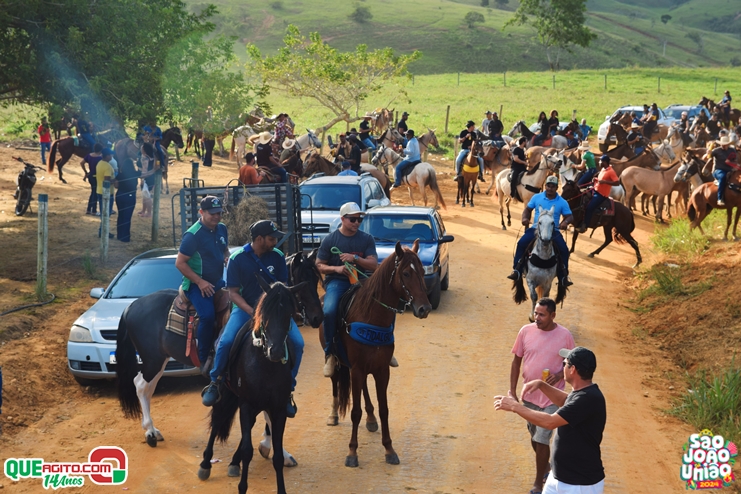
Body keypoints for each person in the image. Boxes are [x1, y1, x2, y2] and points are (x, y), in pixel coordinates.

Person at [201, 220, 303, 418]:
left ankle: (289, 388)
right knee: (226, 342)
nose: (275, 242)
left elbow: (282, 288)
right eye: (272, 239)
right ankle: (215, 382)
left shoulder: (278, 256)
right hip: (244, 309)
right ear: (259, 239)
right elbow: (233, 293)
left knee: (298, 343)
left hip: (275, 311)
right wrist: (253, 311)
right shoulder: (237, 258)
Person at [494, 346, 606, 494]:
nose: (563, 367)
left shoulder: (588, 398)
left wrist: (515, 407)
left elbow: (550, 422)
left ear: (573, 369)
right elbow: (566, 401)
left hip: (580, 484)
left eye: (565, 364)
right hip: (558, 477)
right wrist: (541, 385)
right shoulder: (582, 392)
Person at [507, 298, 576, 494]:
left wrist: (558, 375)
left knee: (542, 437)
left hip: (552, 398)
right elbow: (516, 362)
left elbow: (572, 362)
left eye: (542, 315)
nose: (537, 317)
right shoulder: (525, 331)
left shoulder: (565, 335)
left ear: (553, 315)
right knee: (535, 437)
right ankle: (546, 468)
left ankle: (539, 484)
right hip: (529, 397)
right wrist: (512, 391)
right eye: (535, 313)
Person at [316, 202, 380, 377]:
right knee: (329, 311)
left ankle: (387, 346)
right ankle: (330, 354)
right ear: (343, 219)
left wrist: (355, 259)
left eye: (359, 219)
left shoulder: (366, 239)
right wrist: (336, 269)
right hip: (337, 281)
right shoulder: (330, 240)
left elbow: (373, 265)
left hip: (363, 281)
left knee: (387, 303)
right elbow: (319, 265)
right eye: (353, 219)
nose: (357, 223)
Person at [175, 196, 230, 373]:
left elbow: (225, 249)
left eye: (219, 213)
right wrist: (200, 282)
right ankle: (204, 358)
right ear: (201, 212)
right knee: (207, 315)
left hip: (218, 283)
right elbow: (180, 263)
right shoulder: (192, 235)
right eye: (212, 213)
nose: (216, 216)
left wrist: (227, 258)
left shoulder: (222, 228)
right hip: (195, 285)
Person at [508, 175, 574, 287]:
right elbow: (527, 210)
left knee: (564, 250)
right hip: (536, 229)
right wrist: (524, 218)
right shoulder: (536, 197)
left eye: (553, 186)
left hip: (553, 231)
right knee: (521, 243)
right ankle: (517, 270)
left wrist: (565, 222)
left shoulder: (562, 202)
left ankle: (563, 276)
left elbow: (570, 216)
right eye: (548, 186)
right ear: (545, 186)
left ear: (556, 188)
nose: (550, 188)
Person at [579, 155, 619, 233]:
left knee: (589, 207)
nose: (599, 162)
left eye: (600, 161)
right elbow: (601, 179)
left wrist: (605, 182)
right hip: (595, 189)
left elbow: (617, 182)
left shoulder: (611, 171)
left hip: (601, 194)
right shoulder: (603, 169)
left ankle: (585, 225)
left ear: (605, 162)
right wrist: (596, 179)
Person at [705, 135, 739, 206]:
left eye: (725, 145)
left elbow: (735, 160)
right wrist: (708, 153)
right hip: (718, 171)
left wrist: (734, 165)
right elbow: (708, 157)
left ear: (728, 144)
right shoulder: (716, 151)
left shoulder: (732, 150)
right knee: (723, 177)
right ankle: (719, 198)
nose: (723, 146)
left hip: (730, 170)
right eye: (722, 144)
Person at [115, 158, 140, 242]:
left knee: (121, 215)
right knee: (127, 217)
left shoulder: (120, 174)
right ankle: (125, 236)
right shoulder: (135, 173)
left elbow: (116, 185)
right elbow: (144, 174)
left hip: (120, 194)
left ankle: (119, 234)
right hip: (130, 195)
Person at [95, 148, 116, 239]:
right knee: (106, 213)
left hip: (99, 190)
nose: (111, 156)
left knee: (104, 212)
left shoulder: (100, 163)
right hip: (107, 192)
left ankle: (103, 230)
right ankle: (103, 231)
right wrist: (115, 181)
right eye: (110, 155)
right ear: (107, 156)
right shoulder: (107, 166)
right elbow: (107, 180)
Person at [80, 143, 103, 215]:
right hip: (97, 176)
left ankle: (89, 209)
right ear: (100, 150)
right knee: (95, 193)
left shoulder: (89, 155)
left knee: (93, 192)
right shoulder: (100, 158)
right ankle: (93, 210)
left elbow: (81, 163)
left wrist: (86, 172)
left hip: (90, 176)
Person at [510, 137, 528, 201]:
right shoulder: (516, 149)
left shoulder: (523, 150)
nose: (527, 143)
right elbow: (516, 159)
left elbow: (522, 158)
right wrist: (524, 162)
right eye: (526, 141)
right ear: (523, 142)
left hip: (522, 167)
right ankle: (512, 194)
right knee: (513, 179)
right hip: (516, 167)